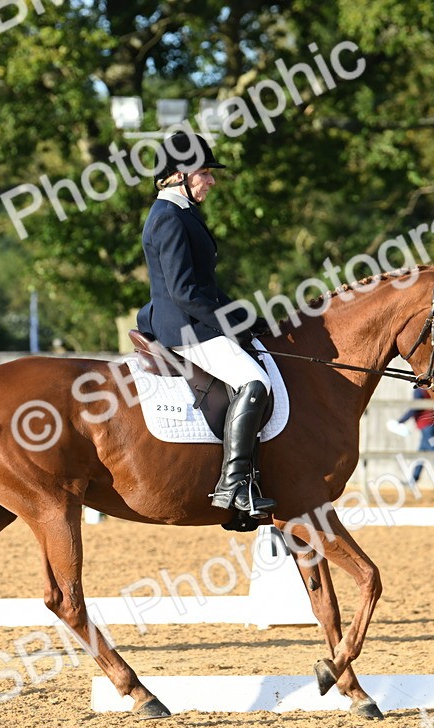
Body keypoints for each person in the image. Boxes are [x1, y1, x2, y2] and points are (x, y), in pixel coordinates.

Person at [136, 131, 274, 519]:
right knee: (255, 382)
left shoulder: (180, 213)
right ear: (180, 174)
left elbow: (206, 286)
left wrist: (246, 317)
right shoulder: (169, 218)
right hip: (184, 329)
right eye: (205, 173)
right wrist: (228, 326)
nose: (211, 180)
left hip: (191, 320)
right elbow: (183, 292)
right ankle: (234, 485)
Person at [391, 386, 434, 488]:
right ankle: (413, 479)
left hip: (428, 426)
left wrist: (400, 421)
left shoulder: (420, 390)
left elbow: (415, 408)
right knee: (421, 453)